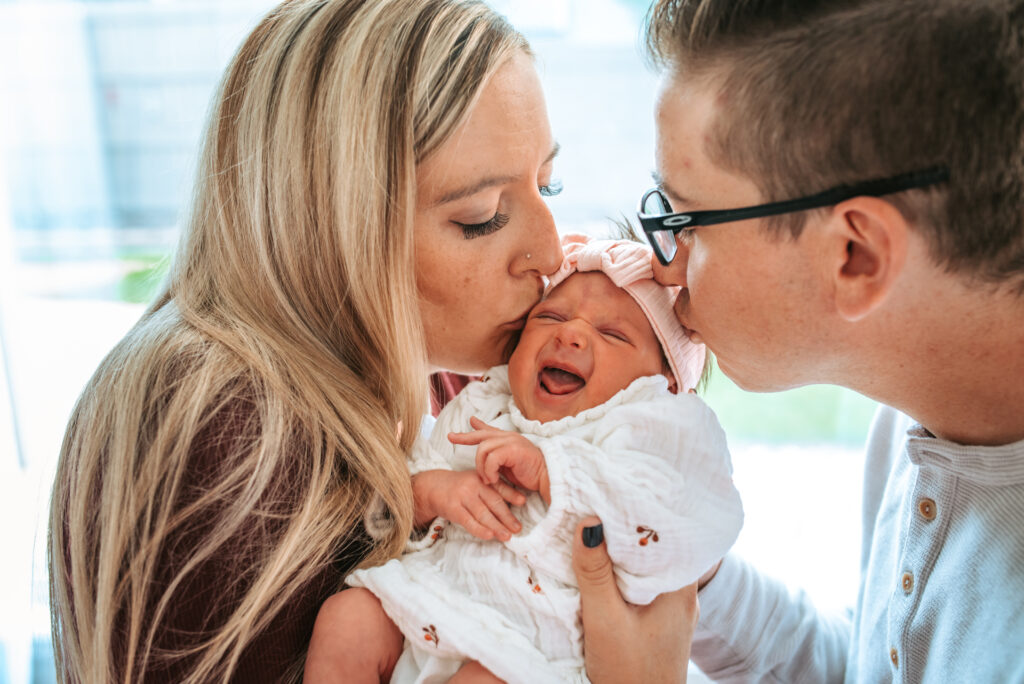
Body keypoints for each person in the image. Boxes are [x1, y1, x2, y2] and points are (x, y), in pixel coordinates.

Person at [46, 1, 578, 681]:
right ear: (331, 224)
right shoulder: (224, 427)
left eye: (549, 183)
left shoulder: (437, 365)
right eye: (482, 216)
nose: (551, 251)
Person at [577, 0, 1024, 680]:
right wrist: (690, 571)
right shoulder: (913, 417)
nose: (662, 265)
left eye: (687, 220)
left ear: (855, 256)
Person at [305, 237, 743, 683]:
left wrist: (552, 471)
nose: (569, 333)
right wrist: (434, 490)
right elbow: (394, 498)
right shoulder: (488, 400)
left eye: (612, 334)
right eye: (549, 316)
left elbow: (687, 527)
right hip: (429, 598)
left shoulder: (659, 428)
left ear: (665, 379)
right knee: (347, 618)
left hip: (537, 648)